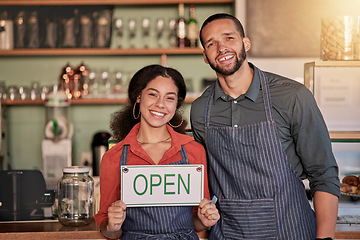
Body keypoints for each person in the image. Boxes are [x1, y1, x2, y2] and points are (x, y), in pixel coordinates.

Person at [190, 13, 340, 240]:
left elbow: (324, 174)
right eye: (211, 43)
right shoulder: (201, 110)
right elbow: (204, 184)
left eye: (229, 38)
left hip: (292, 230)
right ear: (205, 56)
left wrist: (325, 238)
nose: (221, 48)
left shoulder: (292, 96)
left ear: (245, 43)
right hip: (229, 234)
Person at [94, 64, 220, 239]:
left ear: (177, 104)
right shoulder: (113, 157)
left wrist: (204, 219)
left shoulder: (194, 151)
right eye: (153, 94)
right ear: (138, 96)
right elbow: (108, 229)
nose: (160, 104)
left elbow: (196, 220)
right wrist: (112, 225)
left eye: (170, 98)